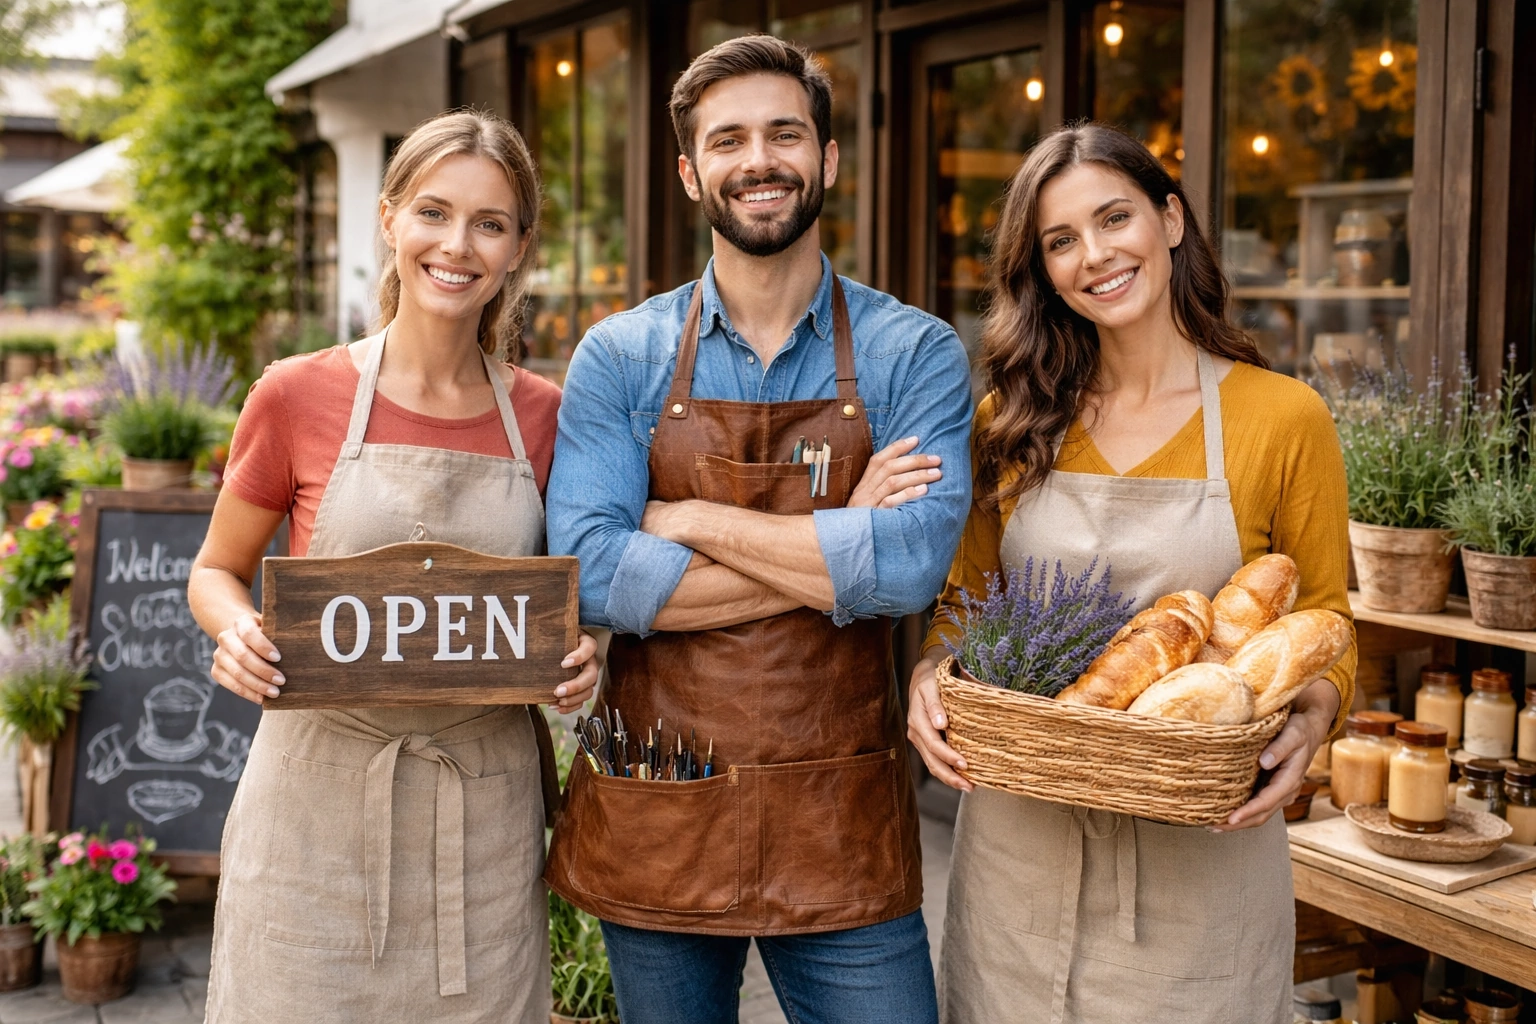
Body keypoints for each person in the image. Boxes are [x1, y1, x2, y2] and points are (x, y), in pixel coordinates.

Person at [543, 34, 972, 1024]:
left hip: (841, 816)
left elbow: (908, 569)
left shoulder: (916, 353)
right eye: (728, 139)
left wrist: (688, 515)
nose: (760, 159)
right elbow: (595, 575)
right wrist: (837, 545)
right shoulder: (623, 355)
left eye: (786, 132)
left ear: (827, 159)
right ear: (693, 172)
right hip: (662, 800)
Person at [906, 123, 1357, 1024]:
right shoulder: (1012, 418)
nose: (1095, 256)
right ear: (1041, 269)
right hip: (1019, 860)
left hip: (1202, 871)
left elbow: (1325, 622)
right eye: (1061, 241)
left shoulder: (1282, 417)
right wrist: (928, 675)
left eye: (1115, 218)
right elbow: (967, 602)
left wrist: (1313, 718)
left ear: (1173, 219)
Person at [189, 110, 599, 1023]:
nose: (457, 245)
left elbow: (575, 595)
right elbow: (215, 570)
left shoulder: (546, 415)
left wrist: (587, 653)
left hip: (480, 820)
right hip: (314, 811)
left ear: (519, 247)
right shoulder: (296, 393)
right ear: (389, 219)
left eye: (490, 224)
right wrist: (238, 631)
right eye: (433, 212)